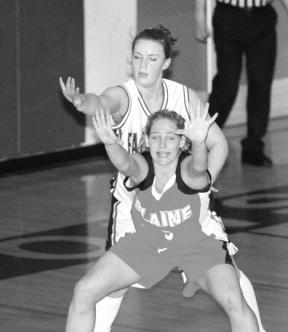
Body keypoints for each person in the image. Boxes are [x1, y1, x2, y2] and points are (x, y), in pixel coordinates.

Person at [60, 25, 265, 332]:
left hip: (188, 215)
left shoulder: (183, 96)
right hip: (136, 214)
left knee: (231, 286)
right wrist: (82, 103)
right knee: (107, 288)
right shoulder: (123, 96)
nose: (142, 65)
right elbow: (101, 105)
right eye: (137, 57)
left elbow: (218, 144)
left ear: (166, 63)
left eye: (151, 58)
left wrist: (204, 185)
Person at [65, 107, 260, 332]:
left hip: (196, 246)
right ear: (147, 140)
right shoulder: (142, 165)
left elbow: (199, 168)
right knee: (84, 291)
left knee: (234, 302)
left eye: (170, 138)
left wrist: (198, 143)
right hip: (146, 244)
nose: (162, 145)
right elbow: (125, 163)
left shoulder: (187, 167)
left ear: (181, 142)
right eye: (156, 138)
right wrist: (111, 143)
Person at [195, 0, 288, 167]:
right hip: (228, 16)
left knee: (261, 83)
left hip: (262, 17)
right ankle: (205, 141)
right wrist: (200, 16)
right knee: (226, 85)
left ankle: (253, 147)